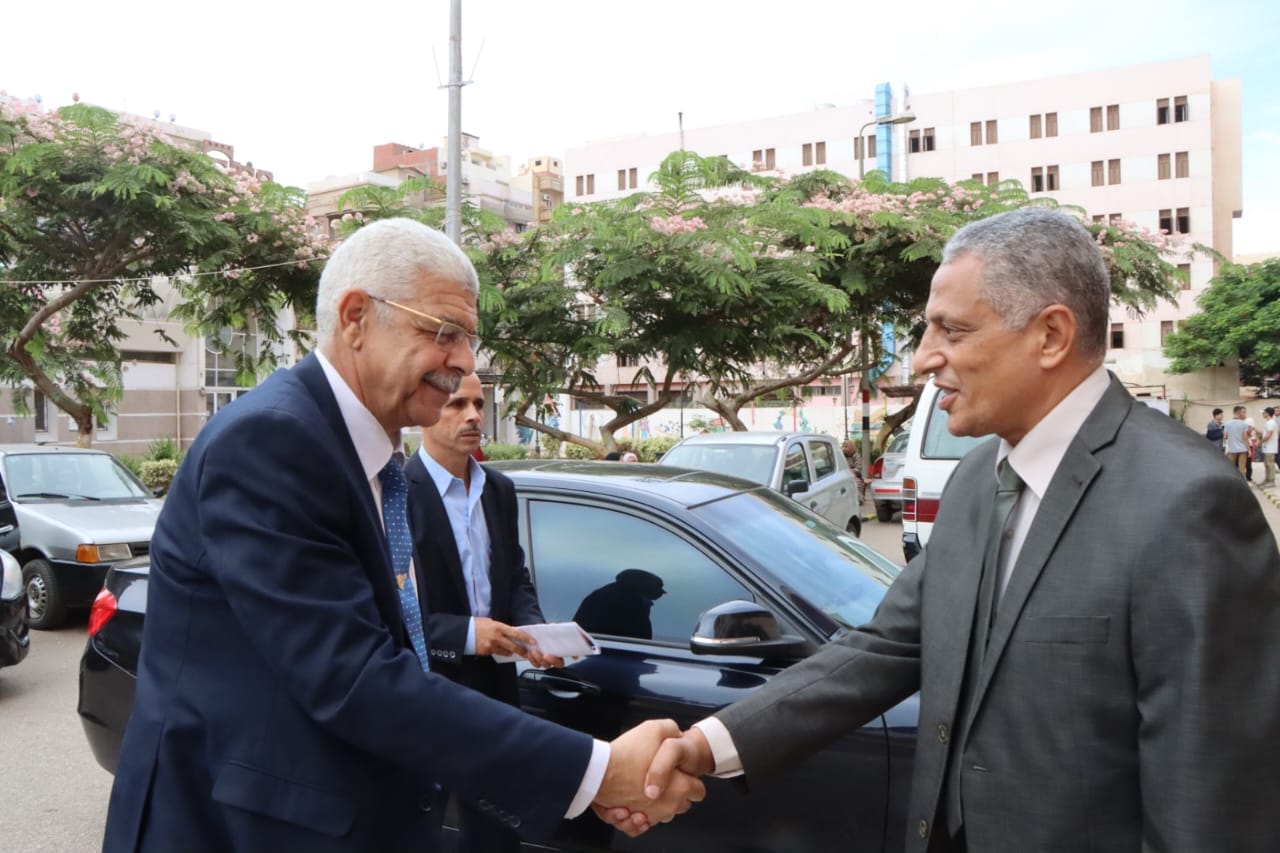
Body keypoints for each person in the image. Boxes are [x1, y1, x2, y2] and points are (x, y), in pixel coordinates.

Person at [632, 208, 1280, 851]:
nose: (922, 358)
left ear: (1050, 335)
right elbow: (886, 646)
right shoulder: (975, 479)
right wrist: (707, 745)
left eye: (952, 329)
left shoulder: (1187, 503)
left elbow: (1210, 800)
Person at [103, 218, 702, 852]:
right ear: (356, 317)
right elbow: (353, 675)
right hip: (242, 829)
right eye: (441, 332)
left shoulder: (376, 463)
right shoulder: (274, 442)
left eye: (468, 338)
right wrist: (598, 773)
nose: (464, 362)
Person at [405, 373, 559, 853]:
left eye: (478, 402)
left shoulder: (498, 489)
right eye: (457, 404)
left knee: (495, 833)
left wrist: (534, 631)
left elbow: (514, 577)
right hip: (427, 689)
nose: (474, 415)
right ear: (427, 411)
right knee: (419, 827)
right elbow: (393, 613)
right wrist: (469, 634)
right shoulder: (397, 494)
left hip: (495, 689)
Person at [573, 569, 667, 640]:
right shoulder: (629, 604)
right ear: (645, 588)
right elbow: (638, 640)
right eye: (658, 589)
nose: (661, 593)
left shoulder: (606, 593)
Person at [1223, 404, 1251, 477]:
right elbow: (1245, 438)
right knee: (1242, 469)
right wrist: (1249, 450)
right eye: (1241, 412)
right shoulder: (1243, 424)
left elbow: (1225, 437)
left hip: (1232, 449)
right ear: (1239, 412)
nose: (1242, 414)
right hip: (1242, 449)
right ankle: (1243, 485)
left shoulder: (1227, 424)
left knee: (1231, 469)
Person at [1260, 406, 1277, 487]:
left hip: (1270, 448)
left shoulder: (1271, 423)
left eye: (1263, 413)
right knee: (1266, 464)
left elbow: (1268, 435)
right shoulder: (1268, 422)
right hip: (1267, 448)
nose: (1263, 414)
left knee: (1270, 464)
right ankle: (1267, 479)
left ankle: (1271, 481)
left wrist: (1260, 442)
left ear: (1267, 413)